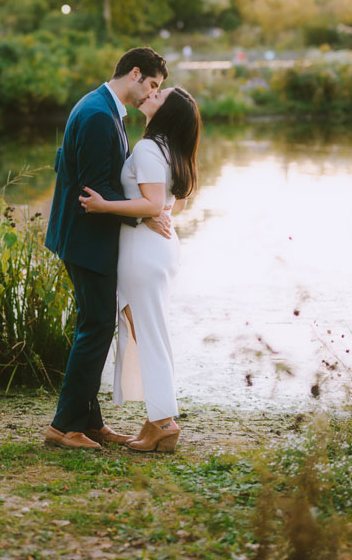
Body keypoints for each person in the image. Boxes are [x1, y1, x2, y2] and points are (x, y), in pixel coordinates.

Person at [43, 47, 172, 450]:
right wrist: (145, 214)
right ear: (135, 73)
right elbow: (95, 191)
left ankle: (90, 421)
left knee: (93, 324)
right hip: (87, 240)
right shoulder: (99, 115)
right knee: (96, 327)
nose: (150, 94)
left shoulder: (99, 105)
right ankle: (64, 427)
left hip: (81, 237)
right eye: (151, 84)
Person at [80, 86, 200, 453]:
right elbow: (171, 202)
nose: (152, 93)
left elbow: (152, 202)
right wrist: (157, 211)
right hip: (157, 251)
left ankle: (164, 422)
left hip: (143, 255)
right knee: (151, 333)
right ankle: (156, 421)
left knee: (147, 335)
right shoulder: (169, 150)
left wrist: (104, 207)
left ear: (167, 113)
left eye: (160, 94)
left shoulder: (150, 148)